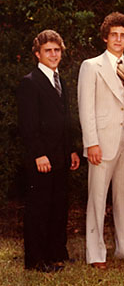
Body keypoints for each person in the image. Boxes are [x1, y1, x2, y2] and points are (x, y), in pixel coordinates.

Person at [78, 12, 124, 269]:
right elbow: (86, 107)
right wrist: (90, 142)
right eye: (114, 35)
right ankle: (95, 253)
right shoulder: (91, 66)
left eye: (123, 36)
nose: (118, 39)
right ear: (106, 37)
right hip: (101, 143)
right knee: (96, 198)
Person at [16, 30, 80, 272]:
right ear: (37, 54)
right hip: (41, 157)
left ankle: (56, 252)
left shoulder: (59, 80)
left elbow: (65, 120)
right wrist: (38, 154)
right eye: (48, 50)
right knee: (39, 208)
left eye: (57, 50)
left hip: (61, 156)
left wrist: (72, 150)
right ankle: (36, 260)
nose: (53, 54)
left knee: (58, 206)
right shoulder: (30, 82)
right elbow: (28, 124)